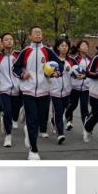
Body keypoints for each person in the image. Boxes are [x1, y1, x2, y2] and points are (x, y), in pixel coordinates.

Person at [12, 27, 63, 160]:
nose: (38, 34)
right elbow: (15, 68)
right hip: (28, 90)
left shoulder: (47, 51)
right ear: (30, 36)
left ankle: (28, 130)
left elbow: (60, 65)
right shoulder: (25, 51)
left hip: (45, 91)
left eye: (40, 32)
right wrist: (22, 74)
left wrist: (57, 72)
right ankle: (33, 151)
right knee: (33, 119)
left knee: (41, 119)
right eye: (35, 32)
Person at [0, 32, 21, 148]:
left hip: (18, 90)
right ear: (2, 43)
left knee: (14, 113)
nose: (9, 41)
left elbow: (25, 68)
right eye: (6, 40)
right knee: (7, 111)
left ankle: (8, 122)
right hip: (3, 89)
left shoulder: (19, 55)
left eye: (11, 39)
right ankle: (8, 135)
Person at [49, 36, 76, 144]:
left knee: (63, 111)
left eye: (66, 46)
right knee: (58, 112)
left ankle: (53, 121)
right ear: (58, 47)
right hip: (54, 91)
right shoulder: (52, 61)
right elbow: (46, 73)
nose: (64, 48)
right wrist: (51, 74)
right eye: (62, 46)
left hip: (67, 91)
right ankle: (60, 134)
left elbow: (78, 73)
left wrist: (80, 76)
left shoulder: (72, 61)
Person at [66, 40, 91, 129]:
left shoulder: (90, 60)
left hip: (86, 88)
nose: (85, 47)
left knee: (84, 107)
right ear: (79, 48)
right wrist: (76, 75)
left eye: (87, 46)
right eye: (83, 45)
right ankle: (68, 117)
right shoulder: (75, 59)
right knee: (73, 104)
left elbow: (91, 73)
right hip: (75, 88)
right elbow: (71, 71)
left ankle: (87, 127)